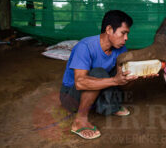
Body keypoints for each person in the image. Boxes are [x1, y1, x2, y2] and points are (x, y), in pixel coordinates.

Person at [59, 10, 158, 139]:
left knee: (120, 72)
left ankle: (110, 106)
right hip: (70, 97)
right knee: (100, 73)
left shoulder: (120, 49)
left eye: (127, 34)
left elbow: (123, 84)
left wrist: (136, 75)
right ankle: (79, 121)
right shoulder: (85, 46)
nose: (126, 38)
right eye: (123, 33)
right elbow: (80, 82)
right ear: (109, 29)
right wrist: (115, 81)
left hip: (94, 90)